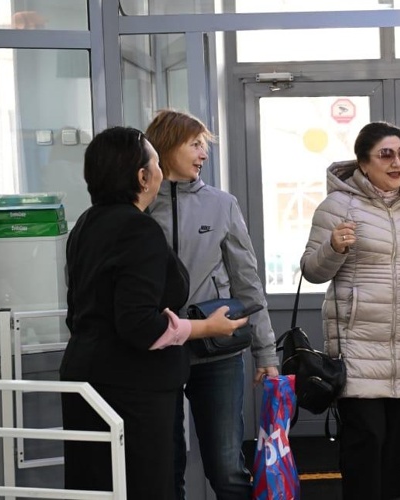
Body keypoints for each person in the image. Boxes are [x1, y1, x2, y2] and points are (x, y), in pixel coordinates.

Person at [60, 126, 247, 499]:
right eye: (156, 163)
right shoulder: (137, 228)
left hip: (87, 380)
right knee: (146, 486)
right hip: (131, 387)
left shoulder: (87, 223)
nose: (160, 171)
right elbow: (140, 325)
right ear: (143, 177)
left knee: (98, 488)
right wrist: (205, 328)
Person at [300, 121, 400, 500]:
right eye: (386, 155)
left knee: (395, 451)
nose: (398, 163)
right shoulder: (337, 206)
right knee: (365, 445)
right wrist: (334, 247)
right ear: (363, 163)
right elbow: (312, 270)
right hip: (358, 348)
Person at [145, 109, 280, 500]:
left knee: (226, 469)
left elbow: (247, 281)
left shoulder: (221, 204)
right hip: (157, 351)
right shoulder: (139, 207)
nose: (203, 153)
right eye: (195, 144)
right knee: (164, 466)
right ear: (166, 147)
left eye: (203, 145)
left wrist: (266, 351)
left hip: (218, 352)